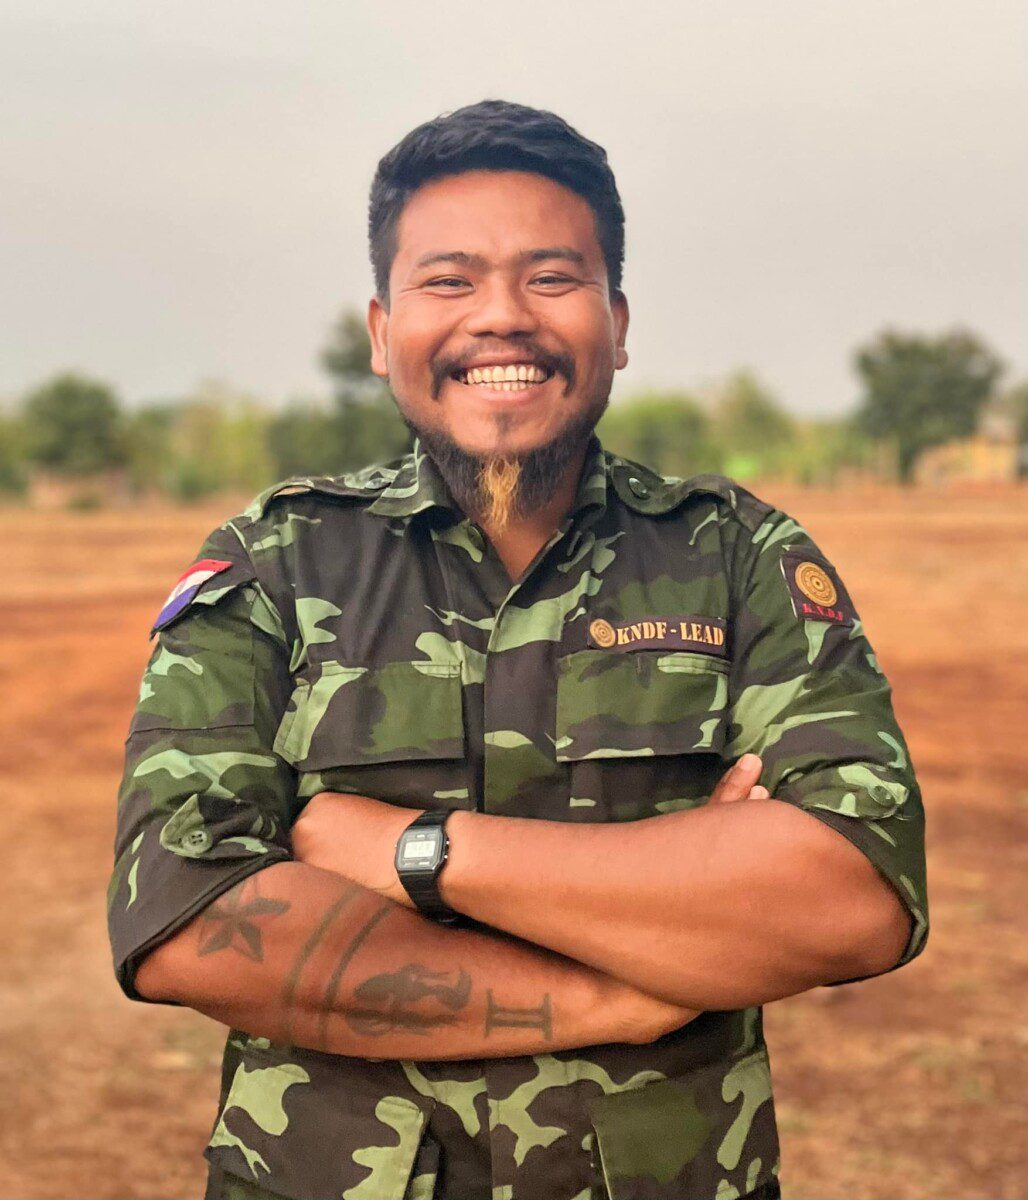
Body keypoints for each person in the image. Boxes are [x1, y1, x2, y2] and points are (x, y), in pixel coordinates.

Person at [108, 99, 928, 1200]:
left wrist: (414, 851)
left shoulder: (739, 559)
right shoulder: (273, 567)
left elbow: (856, 897)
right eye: (448, 281)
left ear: (617, 324)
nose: (501, 317)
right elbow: (184, 919)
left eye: (551, 278)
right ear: (381, 332)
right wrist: (621, 988)